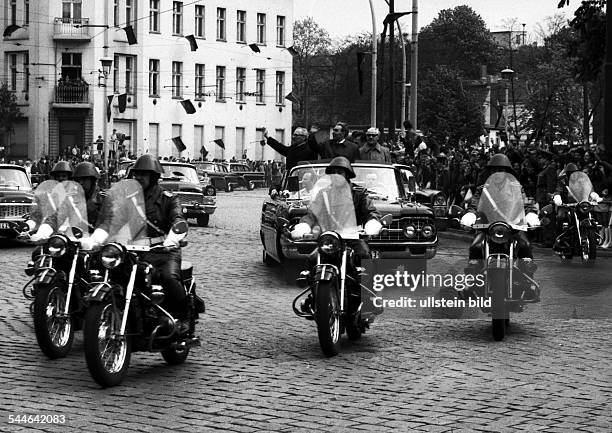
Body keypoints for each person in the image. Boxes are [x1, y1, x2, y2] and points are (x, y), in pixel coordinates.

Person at [82, 154, 198, 317]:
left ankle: (185, 314)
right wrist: (97, 238)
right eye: (137, 174)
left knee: (169, 278)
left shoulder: (169, 199)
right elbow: (113, 220)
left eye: (144, 174)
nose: (139, 178)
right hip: (134, 251)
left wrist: (172, 238)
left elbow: (178, 219)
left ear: (154, 176)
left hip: (162, 252)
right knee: (110, 273)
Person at [291, 157, 382, 314]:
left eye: (340, 172)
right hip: (330, 238)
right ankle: (315, 297)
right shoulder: (324, 194)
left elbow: (370, 211)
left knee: (364, 254)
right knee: (313, 259)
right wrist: (304, 225)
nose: (336, 175)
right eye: (333, 173)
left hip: (352, 237)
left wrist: (371, 223)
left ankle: (368, 298)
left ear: (347, 175)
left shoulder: (359, 194)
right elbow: (312, 214)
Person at [460, 153, 540, 300]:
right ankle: (470, 282)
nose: (498, 173)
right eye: (495, 170)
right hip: (487, 227)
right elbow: (474, 204)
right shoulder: (483, 188)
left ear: (506, 172)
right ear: (490, 172)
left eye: (501, 170)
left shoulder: (516, 188)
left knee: (525, 245)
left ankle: (529, 283)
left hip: (512, 226)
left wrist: (530, 214)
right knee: (475, 247)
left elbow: (525, 203)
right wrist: (470, 214)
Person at [551, 163, 601, 252]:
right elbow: (558, 190)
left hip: (580, 204)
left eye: (574, 172)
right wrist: (557, 197)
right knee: (561, 217)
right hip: (566, 205)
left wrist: (594, 195)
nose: (572, 174)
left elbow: (589, 189)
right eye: (570, 172)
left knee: (592, 216)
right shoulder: (562, 181)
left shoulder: (582, 181)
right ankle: (559, 240)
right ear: (566, 173)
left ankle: (594, 235)